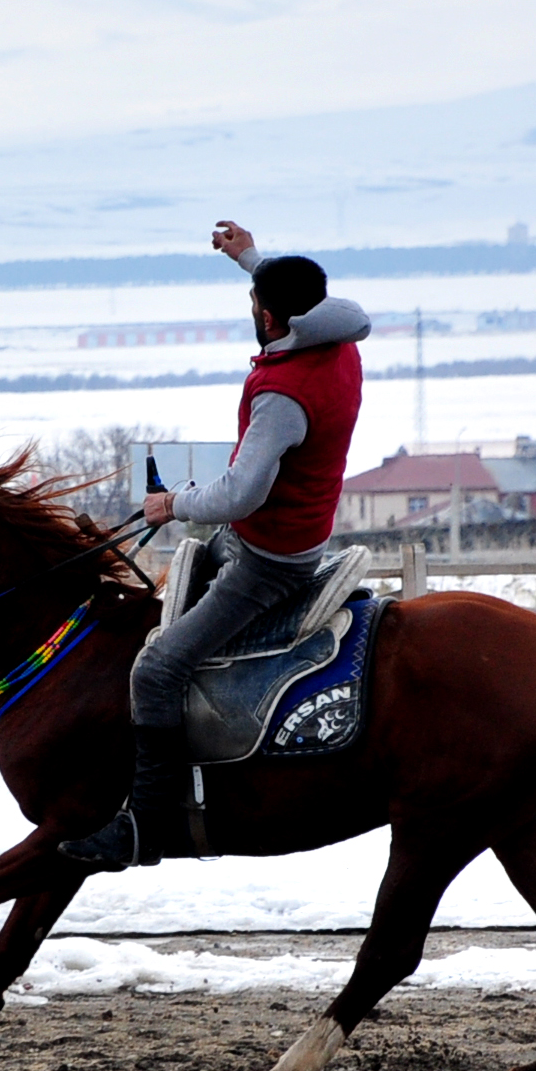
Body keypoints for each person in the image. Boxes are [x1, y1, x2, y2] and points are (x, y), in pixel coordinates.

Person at [62, 220, 370, 871]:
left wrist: (172, 503)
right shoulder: (337, 343)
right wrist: (249, 257)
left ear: (269, 317)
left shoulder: (284, 396)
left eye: (255, 305)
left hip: (268, 561)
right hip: (283, 534)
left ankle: (145, 827)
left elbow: (239, 497)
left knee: (156, 669)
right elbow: (291, 297)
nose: (253, 313)